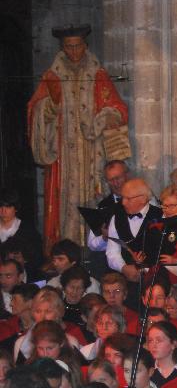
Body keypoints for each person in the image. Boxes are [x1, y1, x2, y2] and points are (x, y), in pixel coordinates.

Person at [27, 24, 129, 244]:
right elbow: (35, 110)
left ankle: (95, 248)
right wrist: (51, 104)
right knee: (64, 204)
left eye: (77, 46)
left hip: (93, 153)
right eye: (68, 47)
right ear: (62, 48)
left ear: (85, 45)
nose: (73, 51)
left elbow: (118, 108)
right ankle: (67, 252)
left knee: (96, 198)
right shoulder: (52, 76)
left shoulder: (98, 74)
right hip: (64, 157)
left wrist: (104, 117)